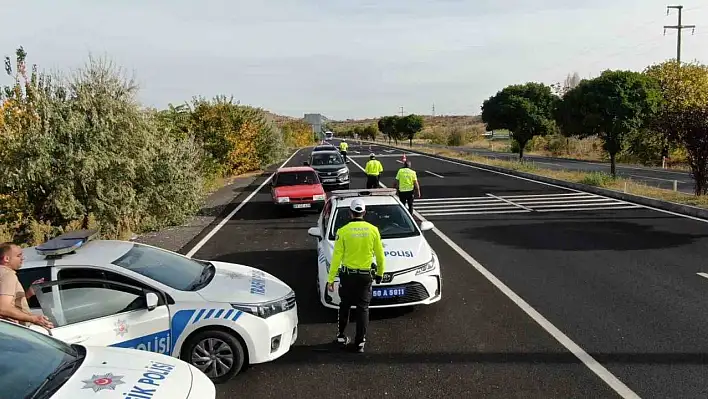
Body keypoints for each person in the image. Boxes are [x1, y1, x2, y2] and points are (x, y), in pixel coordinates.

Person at [326, 199, 385, 353]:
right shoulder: (373, 230)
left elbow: (336, 258)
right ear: (364, 213)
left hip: (347, 276)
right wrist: (380, 273)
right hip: (365, 276)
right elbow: (380, 256)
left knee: (344, 305)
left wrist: (331, 279)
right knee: (363, 308)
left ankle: (341, 336)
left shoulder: (343, 231)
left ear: (350, 213)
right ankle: (360, 342)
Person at [0, 243, 53, 329]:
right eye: (18, 256)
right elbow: (3, 307)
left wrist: (28, 294)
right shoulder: (8, 275)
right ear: (6, 259)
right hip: (15, 332)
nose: (22, 258)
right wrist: (34, 319)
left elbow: (8, 301)